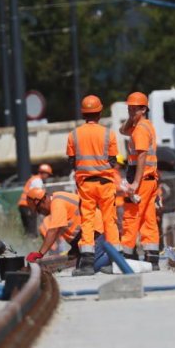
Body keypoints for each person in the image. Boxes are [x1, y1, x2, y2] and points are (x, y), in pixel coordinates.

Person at [66, 95, 120, 276]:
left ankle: (87, 265)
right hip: (105, 184)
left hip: (85, 185)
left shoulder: (74, 135)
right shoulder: (109, 133)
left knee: (87, 222)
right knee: (109, 221)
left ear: (83, 114)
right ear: (100, 112)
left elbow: (72, 161)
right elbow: (113, 161)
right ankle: (115, 262)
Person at [119, 91, 161, 269]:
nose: (131, 112)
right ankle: (152, 259)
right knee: (148, 219)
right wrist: (132, 117)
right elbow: (122, 130)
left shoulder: (140, 130)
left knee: (131, 216)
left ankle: (124, 258)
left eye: (134, 109)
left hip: (142, 180)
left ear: (143, 109)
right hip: (150, 180)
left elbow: (142, 156)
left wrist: (135, 183)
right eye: (129, 109)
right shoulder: (145, 125)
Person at [25, 187, 88, 263]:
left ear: (40, 201)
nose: (40, 213)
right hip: (83, 238)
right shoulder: (56, 200)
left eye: (38, 210)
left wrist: (40, 254)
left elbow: (54, 230)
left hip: (94, 235)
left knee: (84, 264)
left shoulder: (57, 203)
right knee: (69, 262)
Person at [17, 164, 53, 237]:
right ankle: (31, 244)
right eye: (48, 174)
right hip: (29, 206)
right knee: (32, 231)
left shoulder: (34, 179)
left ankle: (27, 244)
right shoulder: (38, 181)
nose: (47, 176)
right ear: (43, 173)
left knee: (27, 230)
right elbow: (38, 196)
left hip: (24, 206)